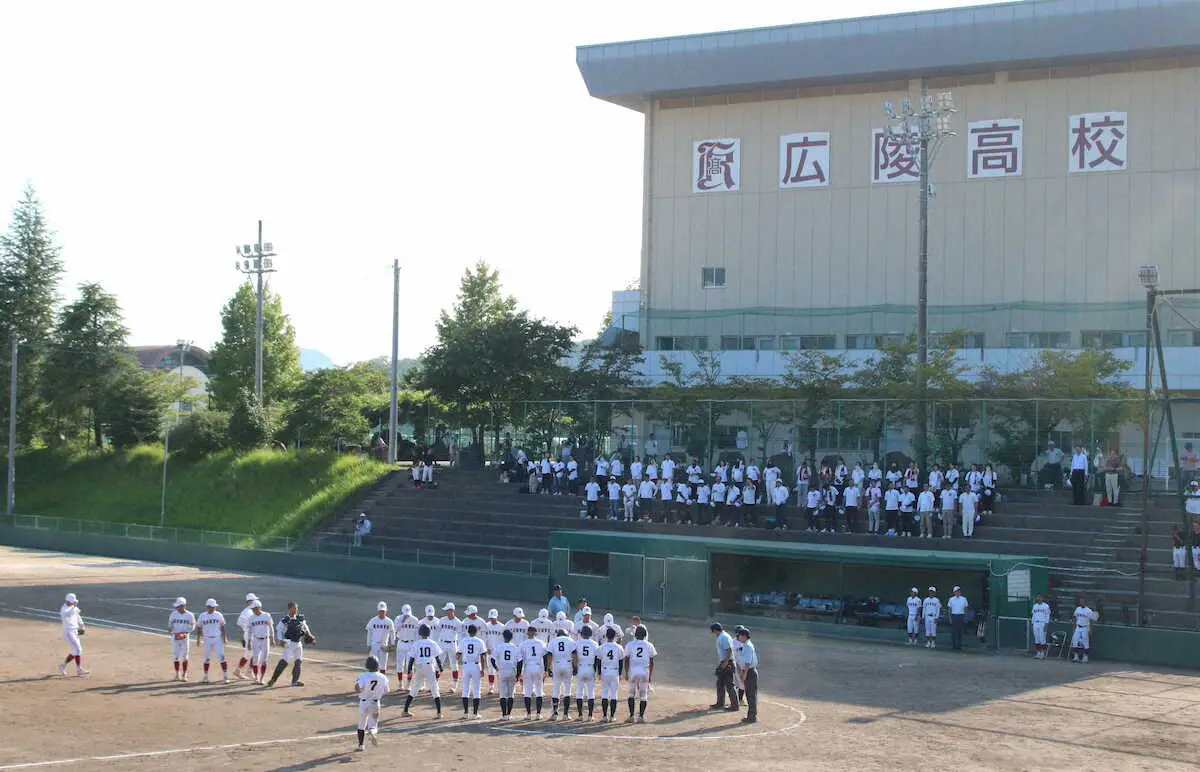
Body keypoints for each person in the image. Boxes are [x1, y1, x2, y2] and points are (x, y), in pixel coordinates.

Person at [402, 624, 444, 718]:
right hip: (430, 667)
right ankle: (439, 713)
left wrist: (409, 670)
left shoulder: (416, 643)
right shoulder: (433, 643)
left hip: (419, 668)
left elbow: (411, 659)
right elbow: (437, 658)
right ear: (429, 633)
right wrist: (440, 669)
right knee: (434, 689)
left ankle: (405, 710)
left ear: (420, 633)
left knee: (414, 689)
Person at [268, 601, 313, 687]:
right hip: (289, 643)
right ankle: (273, 680)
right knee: (284, 661)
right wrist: (281, 640)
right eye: (294, 608)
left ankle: (295, 681)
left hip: (298, 643)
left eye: (296, 608)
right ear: (289, 609)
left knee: (298, 661)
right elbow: (279, 629)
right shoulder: (285, 619)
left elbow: (305, 627)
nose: (295, 610)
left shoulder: (300, 618)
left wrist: (309, 634)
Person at [354, 655, 389, 752]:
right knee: (373, 725)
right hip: (375, 703)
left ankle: (361, 745)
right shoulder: (383, 677)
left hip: (364, 703)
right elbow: (386, 691)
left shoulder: (363, 676)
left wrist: (358, 686)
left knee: (361, 724)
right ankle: (372, 732)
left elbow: (357, 688)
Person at [623, 625, 657, 723]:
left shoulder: (630, 644)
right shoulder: (649, 645)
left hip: (633, 670)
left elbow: (627, 660)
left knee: (631, 694)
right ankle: (641, 716)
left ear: (635, 635)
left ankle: (631, 716)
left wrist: (626, 672)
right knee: (643, 695)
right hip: (644, 670)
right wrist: (650, 675)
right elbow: (652, 661)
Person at [518, 626, 550, 720]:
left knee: (527, 691)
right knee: (539, 691)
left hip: (528, 667)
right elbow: (545, 656)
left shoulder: (523, 644)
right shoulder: (541, 643)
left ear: (527, 633)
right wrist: (545, 670)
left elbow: (520, 660)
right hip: (538, 667)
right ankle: (538, 714)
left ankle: (528, 714)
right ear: (536, 633)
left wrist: (519, 673)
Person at [196, 598, 228, 683]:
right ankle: (206, 677)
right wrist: (198, 639)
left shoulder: (219, 615)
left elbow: (223, 627)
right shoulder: (202, 615)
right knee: (207, 658)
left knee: (221, 657)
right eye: (212, 606)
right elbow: (199, 627)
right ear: (208, 607)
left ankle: (225, 676)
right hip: (207, 639)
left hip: (217, 639)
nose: (214, 608)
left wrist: (225, 637)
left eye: (214, 607)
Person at [458, 624, 487, 719]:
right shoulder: (480, 641)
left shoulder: (463, 641)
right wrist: (483, 669)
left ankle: (465, 713)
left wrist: (458, 659)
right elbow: (483, 656)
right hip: (475, 665)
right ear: (476, 631)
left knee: (465, 690)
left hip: (466, 665)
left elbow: (458, 654)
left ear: (468, 631)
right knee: (476, 690)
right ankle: (475, 714)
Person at [548, 627, 577, 720]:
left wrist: (548, 667)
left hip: (557, 665)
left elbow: (549, 654)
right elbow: (574, 654)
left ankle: (555, 713)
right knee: (567, 690)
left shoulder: (553, 640)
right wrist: (575, 666)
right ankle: (565, 714)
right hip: (568, 664)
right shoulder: (570, 640)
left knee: (556, 689)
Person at [490, 628, 519, 720]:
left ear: (503, 637)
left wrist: (496, 668)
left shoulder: (498, 647)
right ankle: (509, 714)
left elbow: (492, 659)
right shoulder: (515, 647)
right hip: (512, 670)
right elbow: (520, 661)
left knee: (502, 694)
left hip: (502, 671)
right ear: (512, 637)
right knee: (511, 694)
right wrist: (518, 674)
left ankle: (504, 715)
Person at [597, 627, 625, 723]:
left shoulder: (602, 647)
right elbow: (621, 661)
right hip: (615, 672)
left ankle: (604, 716)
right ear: (615, 636)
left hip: (605, 671)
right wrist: (620, 674)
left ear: (606, 636)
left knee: (604, 694)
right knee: (614, 694)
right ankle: (612, 716)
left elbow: (599, 661)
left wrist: (599, 673)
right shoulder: (619, 647)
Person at [58, 592, 88, 677]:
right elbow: (67, 614)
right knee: (77, 650)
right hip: (68, 632)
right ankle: (68, 667)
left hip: (74, 630)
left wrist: (82, 625)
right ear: (68, 601)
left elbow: (77, 616)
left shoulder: (72, 607)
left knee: (76, 650)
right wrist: (74, 607)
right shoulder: (64, 609)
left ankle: (75, 668)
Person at [710, 622, 739, 711]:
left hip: (728, 663)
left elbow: (729, 650)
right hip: (725, 662)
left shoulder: (724, 637)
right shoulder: (722, 636)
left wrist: (725, 662)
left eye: (713, 631)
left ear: (715, 630)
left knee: (729, 685)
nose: (713, 633)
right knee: (720, 683)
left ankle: (735, 706)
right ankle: (720, 703)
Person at [573, 626, 599, 721]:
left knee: (579, 692)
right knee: (590, 693)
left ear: (581, 633)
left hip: (580, 667)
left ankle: (580, 715)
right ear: (591, 634)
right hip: (590, 667)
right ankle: (590, 716)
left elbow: (574, 655)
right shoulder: (595, 644)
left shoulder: (577, 643)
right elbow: (597, 658)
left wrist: (575, 667)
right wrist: (595, 670)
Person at [168, 597, 196, 681]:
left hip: (185, 638)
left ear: (183, 605)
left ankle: (184, 674)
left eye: (178, 606)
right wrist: (171, 630)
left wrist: (186, 633)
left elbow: (193, 626)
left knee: (185, 656)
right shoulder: (173, 614)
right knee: (175, 656)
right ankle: (177, 674)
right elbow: (170, 624)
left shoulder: (189, 615)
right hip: (175, 637)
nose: (177, 608)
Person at [246, 599, 274, 684]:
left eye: (254, 609)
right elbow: (250, 631)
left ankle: (262, 678)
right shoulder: (251, 618)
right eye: (252, 609)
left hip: (266, 640)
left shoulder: (266, 615)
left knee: (264, 660)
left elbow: (271, 627)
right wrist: (249, 642)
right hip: (256, 640)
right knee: (255, 659)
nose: (253, 610)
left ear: (259, 607)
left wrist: (272, 638)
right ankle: (256, 677)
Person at [436, 603, 462, 693]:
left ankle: (454, 686)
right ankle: (435, 684)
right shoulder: (442, 620)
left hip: (452, 644)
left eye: (447, 610)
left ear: (451, 610)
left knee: (454, 665)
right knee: (438, 664)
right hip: (442, 643)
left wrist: (459, 650)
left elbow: (460, 637)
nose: (445, 611)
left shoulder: (458, 622)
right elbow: (437, 633)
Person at [734, 626, 758, 724]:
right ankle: (751, 715)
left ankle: (752, 717)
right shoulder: (745, 644)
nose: (738, 638)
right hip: (749, 671)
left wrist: (744, 673)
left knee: (751, 695)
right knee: (749, 694)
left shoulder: (748, 646)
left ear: (744, 636)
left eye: (739, 636)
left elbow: (748, 662)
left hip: (750, 672)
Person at [233, 592, 258, 680]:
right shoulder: (247, 612)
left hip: (252, 634)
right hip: (249, 635)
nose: (256, 601)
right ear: (249, 601)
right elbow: (239, 624)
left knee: (251, 654)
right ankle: (248, 671)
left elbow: (239, 625)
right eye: (254, 600)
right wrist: (244, 637)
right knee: (251, 654)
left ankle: (242, 670)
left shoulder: (252, 610)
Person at [394, 604, 419, 690]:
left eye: (408, 613)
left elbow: (417, 635)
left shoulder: (415, 620)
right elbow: (395, 630)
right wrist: (402, 621)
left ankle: (408, 684)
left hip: (411, 644)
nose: (407, 615)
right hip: (401, 643)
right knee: (399, 664)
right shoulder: (398, 619)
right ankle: (400, 683)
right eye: (405, 613)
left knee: (410, 665)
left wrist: (415, 646)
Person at [366, 602, 396, 675]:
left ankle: (382, 681)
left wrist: (392, 644)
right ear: (378, 611)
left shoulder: (389, 622)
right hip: (374, 645)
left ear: (386, 611)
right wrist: (368, 644)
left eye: (383, 611)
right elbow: (369, 633)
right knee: (372, 665)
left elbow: (392, 634)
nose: (382, 613)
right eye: (380, 611)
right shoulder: (373, 621)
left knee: (383, 665)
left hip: (384, 646)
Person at [482, 609, 506, 695]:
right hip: (489, 651)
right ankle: (491, 687)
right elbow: (484, 638)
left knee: (499, 669)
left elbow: (504, 640)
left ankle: (501, 687)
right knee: (490, 670)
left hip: (499, 652)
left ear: (497, 617)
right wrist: (485, 648)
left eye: (493, 618)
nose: (492, 619)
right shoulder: (486, 626)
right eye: (490, 618)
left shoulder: (502, 627)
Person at [1070, 597, 1099, 663]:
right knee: (1075, 641)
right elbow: (1075, 618)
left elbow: (1092, 620)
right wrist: (1074, 627)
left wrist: (1090, 629)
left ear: (1085, 603)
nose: (1081, 603)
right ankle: (1076, 656)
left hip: (1085, 627)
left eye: (1083, 602)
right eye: (1080, 602)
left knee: (1085, 642)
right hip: (1078, 627)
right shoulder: (1077, 609)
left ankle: (1085, 657)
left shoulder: (1089, 610)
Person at [947, 586, 970, 650]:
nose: (958, 592)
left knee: (960, 631)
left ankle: (959, 645)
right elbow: (949, 609)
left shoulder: (964, 599)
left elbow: (966, 609)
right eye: (956, 591)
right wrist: (950, 618)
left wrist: (965, 617)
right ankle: (954, 645)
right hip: (954, 616)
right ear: (954, 592)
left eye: (958, 591)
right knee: (953, 632)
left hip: (961, 616)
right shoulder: (951, 599)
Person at [1031, 594, 1051, 659]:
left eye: (1039, 597)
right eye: (1037, 597)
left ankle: (1042, 653)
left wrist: (1046, 625)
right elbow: (1033, 616)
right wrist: (1032, 623)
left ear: (1042, 598)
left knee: (1042, 638)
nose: (1038, 598)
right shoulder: (1035, 606)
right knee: (1037, 638)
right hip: (1035, 623)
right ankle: (1038, 652)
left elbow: (1047, 616)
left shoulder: (1046, 606)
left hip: (1042, 623)